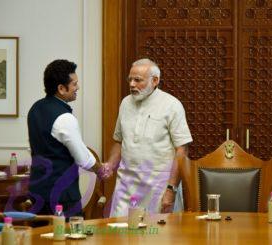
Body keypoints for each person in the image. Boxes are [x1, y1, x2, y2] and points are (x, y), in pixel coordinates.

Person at [106, 58, 192, 216]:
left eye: (137, 80)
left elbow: (182, 150)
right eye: (130, 79)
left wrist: (171, 190)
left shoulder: (172, 105)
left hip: (159, 186)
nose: (132, 84)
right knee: (120, 236)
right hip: (126, 185)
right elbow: (119, 141)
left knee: (158, 237)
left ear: (155, 81)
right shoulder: (125, 103)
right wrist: (110, 164)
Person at [27, 59, 111, 217]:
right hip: (62, 197)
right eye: (74, 84)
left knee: (41, 240)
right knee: (70, 241)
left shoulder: (35, 108)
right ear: (61, 88)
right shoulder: (65, 117)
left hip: (37, 192)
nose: (77, 87)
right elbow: (83, 159)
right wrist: (101, 170)